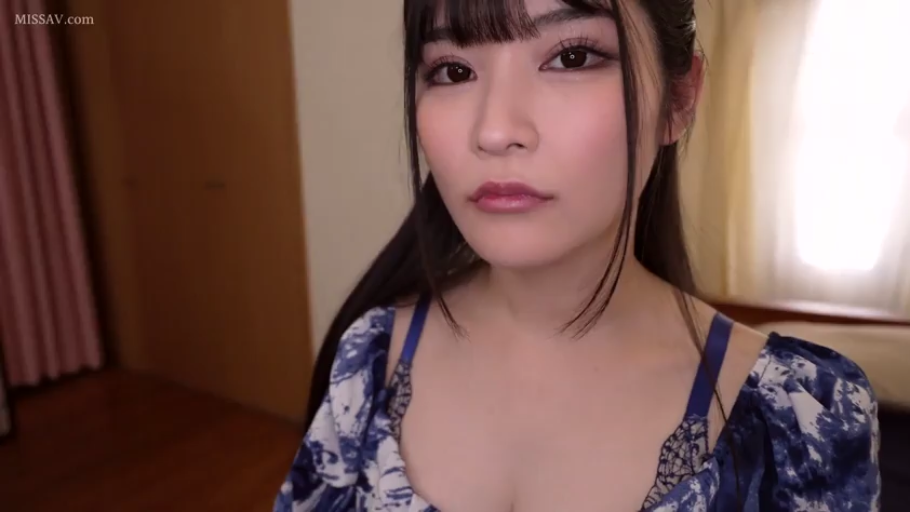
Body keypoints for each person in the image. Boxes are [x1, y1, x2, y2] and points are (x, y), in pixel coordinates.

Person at [274, 0, 881, 510]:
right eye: (453, 70)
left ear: (679, 97)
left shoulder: (802, 417)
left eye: (572, 58)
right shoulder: (370, 357)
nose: (494, 130)